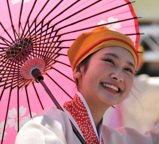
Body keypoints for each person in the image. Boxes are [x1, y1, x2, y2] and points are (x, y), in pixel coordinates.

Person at [15, 26, 159, 144]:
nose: (118, 76)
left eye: (128, 69)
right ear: (78, 69)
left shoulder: (117, 139)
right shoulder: (43, 129)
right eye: (109, 61)